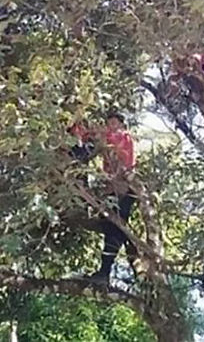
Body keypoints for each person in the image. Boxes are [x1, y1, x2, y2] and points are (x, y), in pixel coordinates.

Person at [74, 113, 137, 284]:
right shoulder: (109, 135)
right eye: (109, 122)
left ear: (121, 124)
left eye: (114, 122)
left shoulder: (123, 137)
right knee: (112, 229)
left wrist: (91, 131)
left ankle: (106, 271)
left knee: (115, 228)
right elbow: (90, 136)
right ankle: (104, 272)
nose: (111, 125)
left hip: (122, 189)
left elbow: (119, 153)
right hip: (113, 189)